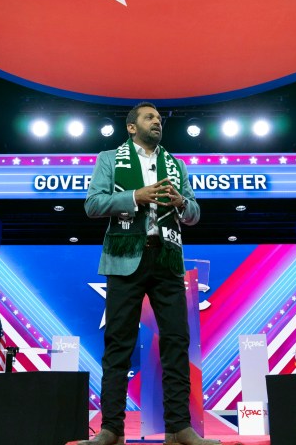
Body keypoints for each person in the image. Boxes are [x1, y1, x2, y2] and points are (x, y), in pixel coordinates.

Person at [80, 103, 220, 445]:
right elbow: (92, 204)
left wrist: (181, 203)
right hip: (125, 258)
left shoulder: (176, 165)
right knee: (119, 346)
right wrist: (134, 197)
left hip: (167, 260)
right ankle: (112, 429)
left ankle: (178, 428)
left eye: (159, 118)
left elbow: (195, 213)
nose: (157, 121)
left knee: (176, 343)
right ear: (131, 127)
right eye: (149, 117)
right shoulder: (109, 159)